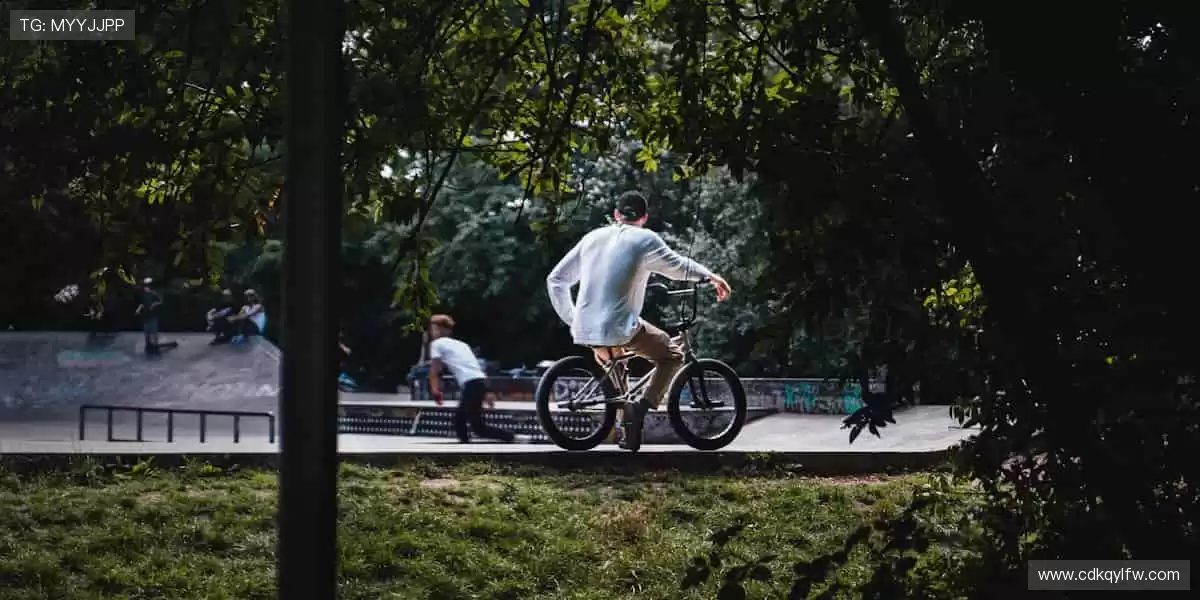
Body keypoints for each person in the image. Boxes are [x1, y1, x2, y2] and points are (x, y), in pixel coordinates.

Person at [545, 191, 731, 451]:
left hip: (584, 329)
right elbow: (678, 267)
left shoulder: (592, 238)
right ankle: (641, 409)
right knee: (672, 355)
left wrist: (572, 318)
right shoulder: (645, 239)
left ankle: (629, 435)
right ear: (644, 217)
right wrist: (710, 276)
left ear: (616, 215)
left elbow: (555, 280)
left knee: (619, 376)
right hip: (621, 328)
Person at [426, 314, 530, 444]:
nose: (434, 332)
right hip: (480, 382)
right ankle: (512, 438)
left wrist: (435, 390)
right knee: (475, 425)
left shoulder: (436, 344)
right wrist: (488, 390)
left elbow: (434, 370)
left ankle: (466, 448)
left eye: (436, 329)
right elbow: (475, 367)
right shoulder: (462, 345)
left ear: (446, 330)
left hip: (472, 384)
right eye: (433, 329)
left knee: (461, 420)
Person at [134, 278, 176, 354]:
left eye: (146, 288)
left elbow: (160, 301)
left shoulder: (154, 294)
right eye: (145, 288)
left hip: (152, 316)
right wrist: (138, 309)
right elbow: (142, 303)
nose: (145, 289)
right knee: (147, 331)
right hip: (146, 316)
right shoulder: (144, 296)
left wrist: (153, 305)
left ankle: (155, 345)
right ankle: (148, 345)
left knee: (153, 331)